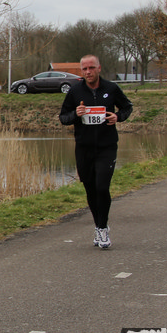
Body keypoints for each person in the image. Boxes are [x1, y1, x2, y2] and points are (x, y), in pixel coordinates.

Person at [59, 55, 133, 250]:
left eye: (91, 68)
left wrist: (118, 116)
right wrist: (76, 114)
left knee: (102, 186)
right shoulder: (75, 91)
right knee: (91, 189)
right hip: (84, 148)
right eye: (84, 69)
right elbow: (63, 117)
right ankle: (98, 225)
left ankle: (102, 228)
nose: (88, 72)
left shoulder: (111, 88)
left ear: (99, 68)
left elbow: (127, 107)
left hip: (107, 147)